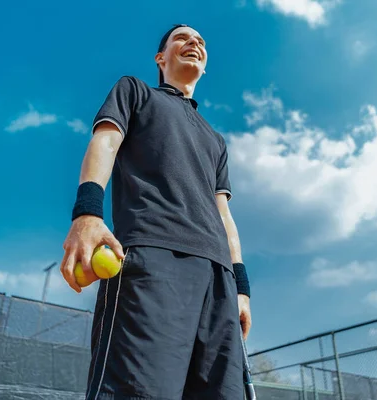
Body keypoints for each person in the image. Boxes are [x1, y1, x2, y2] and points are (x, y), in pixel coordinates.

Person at [59, 24, 252, 399]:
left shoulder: (216, 140)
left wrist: (240, 287)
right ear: (161, 58)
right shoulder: (134, 91)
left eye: (200, 41)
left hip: (219, 281)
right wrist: (87, 213)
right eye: (182, 38)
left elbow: (224, 215)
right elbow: (105, 141)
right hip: (152, 262)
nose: (194, 42)